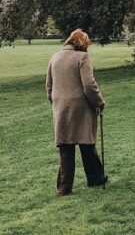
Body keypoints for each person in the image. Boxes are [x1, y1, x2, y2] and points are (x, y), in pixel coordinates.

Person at [46, 28, 107, 195]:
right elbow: (89, 85)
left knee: (65, 147)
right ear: (82, 43)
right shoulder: (82, 57)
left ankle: (64, 187)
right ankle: (95, 178)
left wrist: (55, 101)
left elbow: (49, 86)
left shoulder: (55, 57)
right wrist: (99, 102)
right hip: (81, 108)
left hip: (61, 108)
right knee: (87, 143)